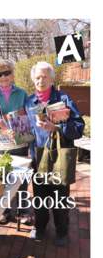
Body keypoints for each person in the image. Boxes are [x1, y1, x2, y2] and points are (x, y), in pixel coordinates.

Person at [25, 61, 85, 246]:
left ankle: (62, 231)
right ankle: (40, 227)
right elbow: (28, 128)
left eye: (44, 77)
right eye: (37, 77)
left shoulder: (64, 99)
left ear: (52, 79)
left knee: (60, 197)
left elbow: (79, 127)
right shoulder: (29, 101)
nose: (41, 80)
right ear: (33, 80)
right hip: (38, 155)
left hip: (59, 156)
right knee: (40, 196)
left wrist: (57, 127)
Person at [0, 60, 31, 225]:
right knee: (2, 180)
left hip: (19, 145)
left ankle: (23, 210)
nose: (3, 77)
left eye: (7, 73)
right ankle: (5, 211)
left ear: (12, 74)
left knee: (21, 180)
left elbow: (29, 118)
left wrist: (19, 127)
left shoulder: (22, 93)